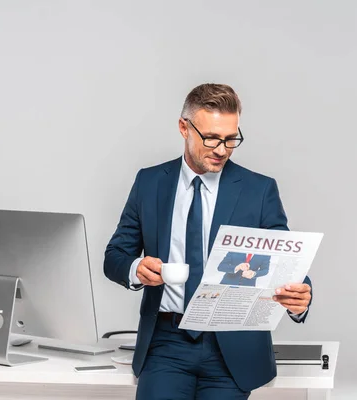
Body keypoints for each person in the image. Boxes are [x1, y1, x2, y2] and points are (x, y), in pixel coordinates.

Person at [104, 83, 312, 399]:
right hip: (167, 342)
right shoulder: (149, 182)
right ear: (184, 128)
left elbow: (284, 259)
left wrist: (300, 295)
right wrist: (136, 268)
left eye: (231, 139)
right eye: (212, 138)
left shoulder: (259, 190)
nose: (221, 150)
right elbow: (116, 254)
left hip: (233, 344)